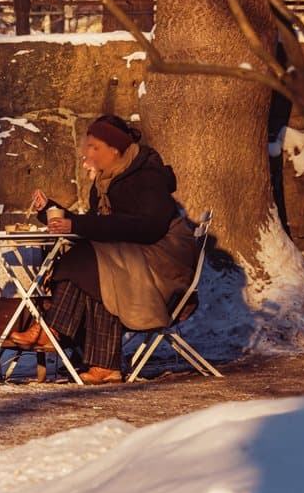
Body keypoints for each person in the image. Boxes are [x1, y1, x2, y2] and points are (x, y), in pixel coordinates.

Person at [21, 114, 197, 384]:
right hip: (130, 259)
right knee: (97, 269)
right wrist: (51, 212)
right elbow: (99, 225)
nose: (89, 154)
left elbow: (149, 228)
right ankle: (96, 361)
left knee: (94, 263)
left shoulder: (146, 176)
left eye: (95, 148)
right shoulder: (105, 183)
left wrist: (76, 225)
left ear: (115, 150)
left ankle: (52, 329)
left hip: (162, 263)